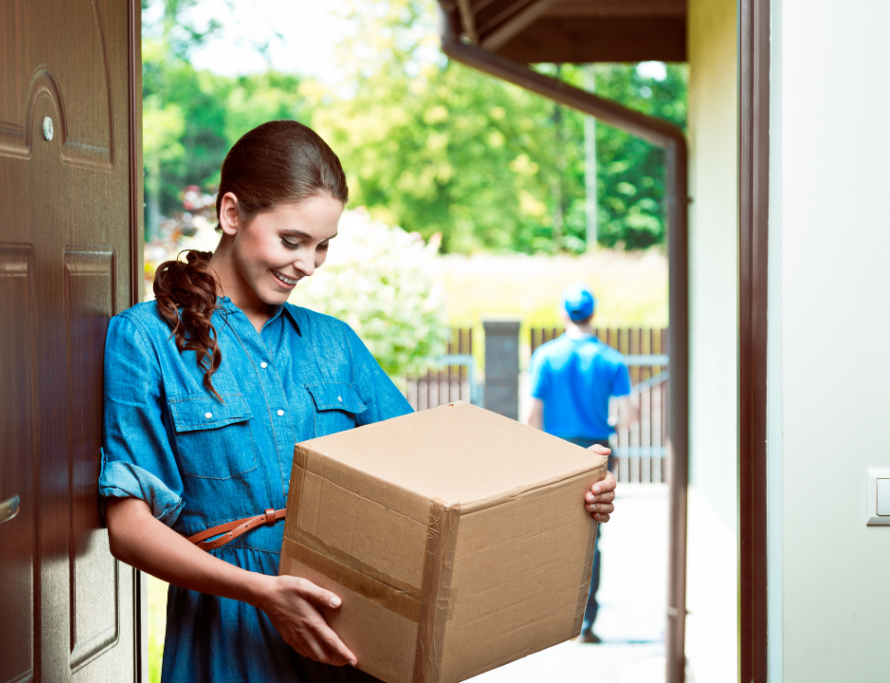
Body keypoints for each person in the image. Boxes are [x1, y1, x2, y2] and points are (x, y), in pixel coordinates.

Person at [99, 121, 619, 682]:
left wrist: (563, 487)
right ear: (231, 214)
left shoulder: (336, 344)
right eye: (292, 241)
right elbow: (129, 527)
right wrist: (263, 592)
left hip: (353, 636)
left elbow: (436, 475)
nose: (308, 264)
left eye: (323, 247)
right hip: (227, 642)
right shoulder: (143, 340)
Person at [525, 283, 633, 644]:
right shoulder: (612, 359)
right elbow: (629, 414)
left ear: (562, 314)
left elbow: (530, 416)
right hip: (595, 452)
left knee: (550, 535)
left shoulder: (545, 356)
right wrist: (608, 426)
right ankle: (585, 624)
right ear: (593, 314)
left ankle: (547, 620)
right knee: (591, 537)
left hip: (555, 452)